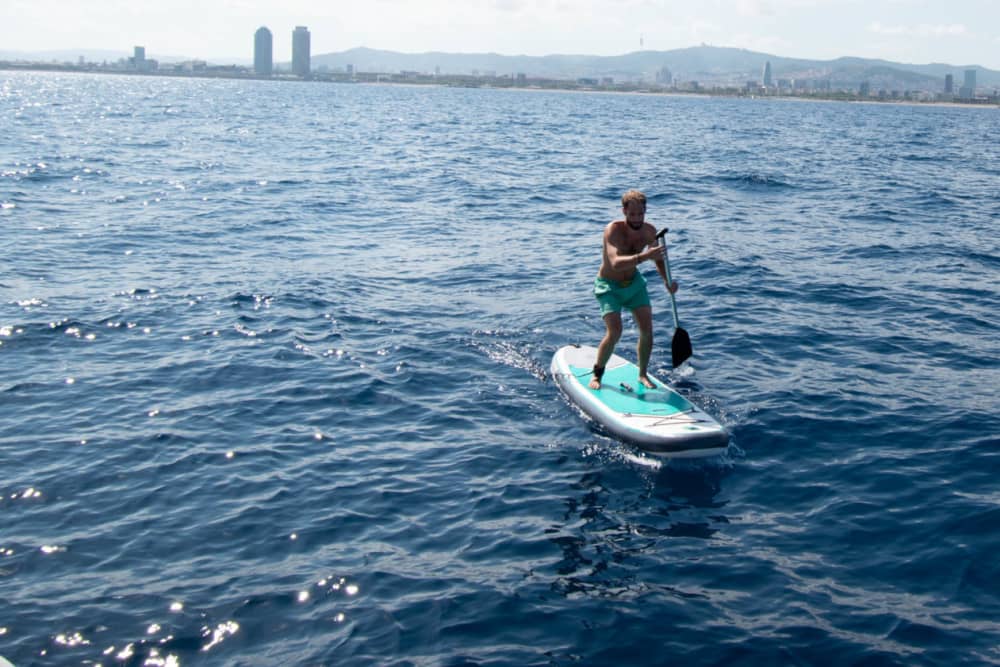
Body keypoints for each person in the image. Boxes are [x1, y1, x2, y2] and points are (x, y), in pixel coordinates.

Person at [590, 190, 678, 390]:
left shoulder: (649, 231)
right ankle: (597, 374)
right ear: (624, 211)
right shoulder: (612, 230)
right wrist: (644, 257)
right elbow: (614, 262)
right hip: (609, 286)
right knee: (615, 332)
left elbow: (657, 259)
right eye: (632, 215)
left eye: (641, 214)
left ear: (645, 211)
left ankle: (642, 374)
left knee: (647, 330)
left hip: (634, 285)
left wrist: (667, 281)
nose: (637, 219)